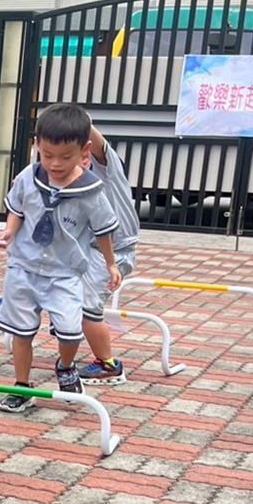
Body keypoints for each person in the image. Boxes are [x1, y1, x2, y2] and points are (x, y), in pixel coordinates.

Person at [0, 103, 120, 413]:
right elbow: (17, 209)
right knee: (21, 331)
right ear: (37, 144)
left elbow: (103, 229)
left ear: (84, 151)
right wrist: (9, 231)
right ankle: (22, 386)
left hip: (64, 272)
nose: (55, 164)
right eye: (48, 155)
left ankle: (65, 366)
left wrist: (111, 263)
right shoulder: (29, 176)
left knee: (70, 330)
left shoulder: (90, 190)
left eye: (65, 157)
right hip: (23, 267)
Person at [78, 127, 141, 384]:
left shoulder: (106, 169)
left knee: (88, 309)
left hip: (113, 252)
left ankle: (108, 365)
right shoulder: (68, 177)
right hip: (85, 250)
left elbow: (96, 141)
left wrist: (73, 117)